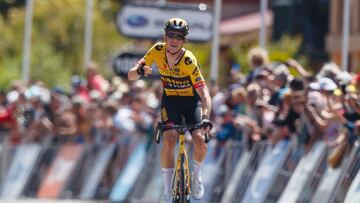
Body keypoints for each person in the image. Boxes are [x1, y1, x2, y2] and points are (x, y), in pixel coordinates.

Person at [128, 17, 213, 202]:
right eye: (171, 36)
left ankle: (197, 176)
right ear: (164, 37)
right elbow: (131, 75)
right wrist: (140, 71)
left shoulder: (189, 61)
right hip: (170, 101)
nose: (174, 40)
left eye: (179, 37)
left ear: (184, 41)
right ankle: (167, 190)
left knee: (199, 139)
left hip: (191, 102)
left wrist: (206, 117)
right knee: (170, 138)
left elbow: (204, 93)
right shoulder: (157, 50)